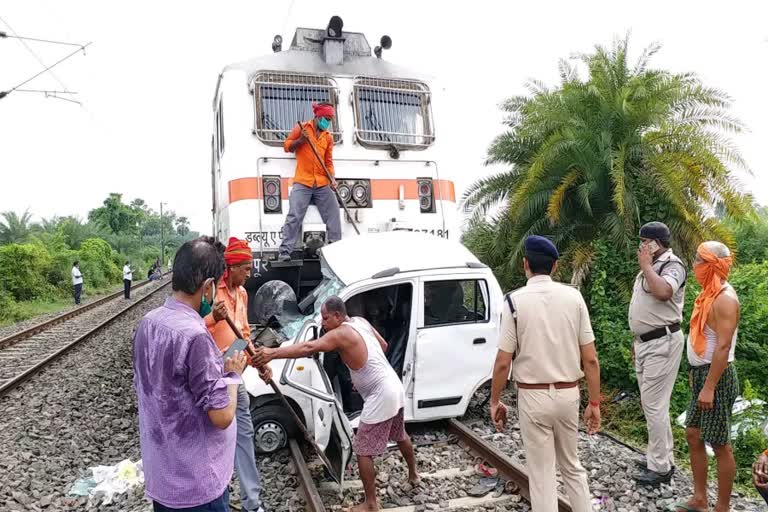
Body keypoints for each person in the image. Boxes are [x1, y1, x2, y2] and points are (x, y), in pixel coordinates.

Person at [253, 296, 419, 512]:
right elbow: (383, 346)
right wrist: (362, 373)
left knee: (363, 449)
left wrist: (272, 353)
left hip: (382, 393)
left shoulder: (340, 333)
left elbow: (308, 347)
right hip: (393, 384)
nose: (322, 323)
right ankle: (414, 475)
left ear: (338, 316)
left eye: (325, 318)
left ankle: (370, 504)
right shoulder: (360, 322)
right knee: (400, 434)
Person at [133, 236, 247, 511]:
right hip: (196, 485)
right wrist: (232, 375)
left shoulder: (147, 323)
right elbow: (221, 416)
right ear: (208, 287)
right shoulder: (196, 336)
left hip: (162, 476)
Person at [490, 235, 600, 512]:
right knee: (572, 467)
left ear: (525, 264)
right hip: (568, 394)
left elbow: (503, 361)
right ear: (555, 266)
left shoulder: (514, 302)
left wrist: (494, 401)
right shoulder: (574, 298)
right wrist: (595, 403)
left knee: (541, 475)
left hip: (533, 397)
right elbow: (590, 359)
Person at [671, 241, 739, 512]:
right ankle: (700, 499)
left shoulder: (724, 298)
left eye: (699, 261)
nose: (694, 266)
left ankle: (721, 508)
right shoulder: (708, 294)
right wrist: (696, 374)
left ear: (712, 266)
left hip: (717, 378)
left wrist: (709, 386)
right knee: (693, 433)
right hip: (702, 375)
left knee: (720, 443)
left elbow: (723, 347)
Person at [203, 237, 269, 512]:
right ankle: (214, 494)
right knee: (214, 435)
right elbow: (192, 329)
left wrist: (257, 361)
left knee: (244, 432)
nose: (249, 273)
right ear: (230, 267)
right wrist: (213, 318)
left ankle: (252, 503)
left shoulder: (241, 294)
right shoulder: (210, 294)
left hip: (235, 373)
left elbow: (242, 335)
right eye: (246, 268)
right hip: (211, 374)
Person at [628, 221, 688, 486]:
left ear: (655, 243)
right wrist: (636, 340)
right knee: (652, 405)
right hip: (646, 343)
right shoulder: (650, 269)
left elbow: (664, 292)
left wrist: (646, 267)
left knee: (654, 405)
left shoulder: (673, 265)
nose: (641, 247)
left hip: (662, 342)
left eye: (644, 241)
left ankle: (661, 469)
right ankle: (661, 457)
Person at [277, 102, 341, 262]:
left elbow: (328, 161)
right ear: (317, 116)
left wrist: (332, 178)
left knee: (334, 212)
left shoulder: (328, 137)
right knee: (294, 215)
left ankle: (336, 250)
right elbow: (287, 146)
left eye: (330, 119)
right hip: (303, 181)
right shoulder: (302, 128)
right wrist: (301, 141)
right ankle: (285, 251)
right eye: (326, 118)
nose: (328, 122)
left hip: (321, 183)